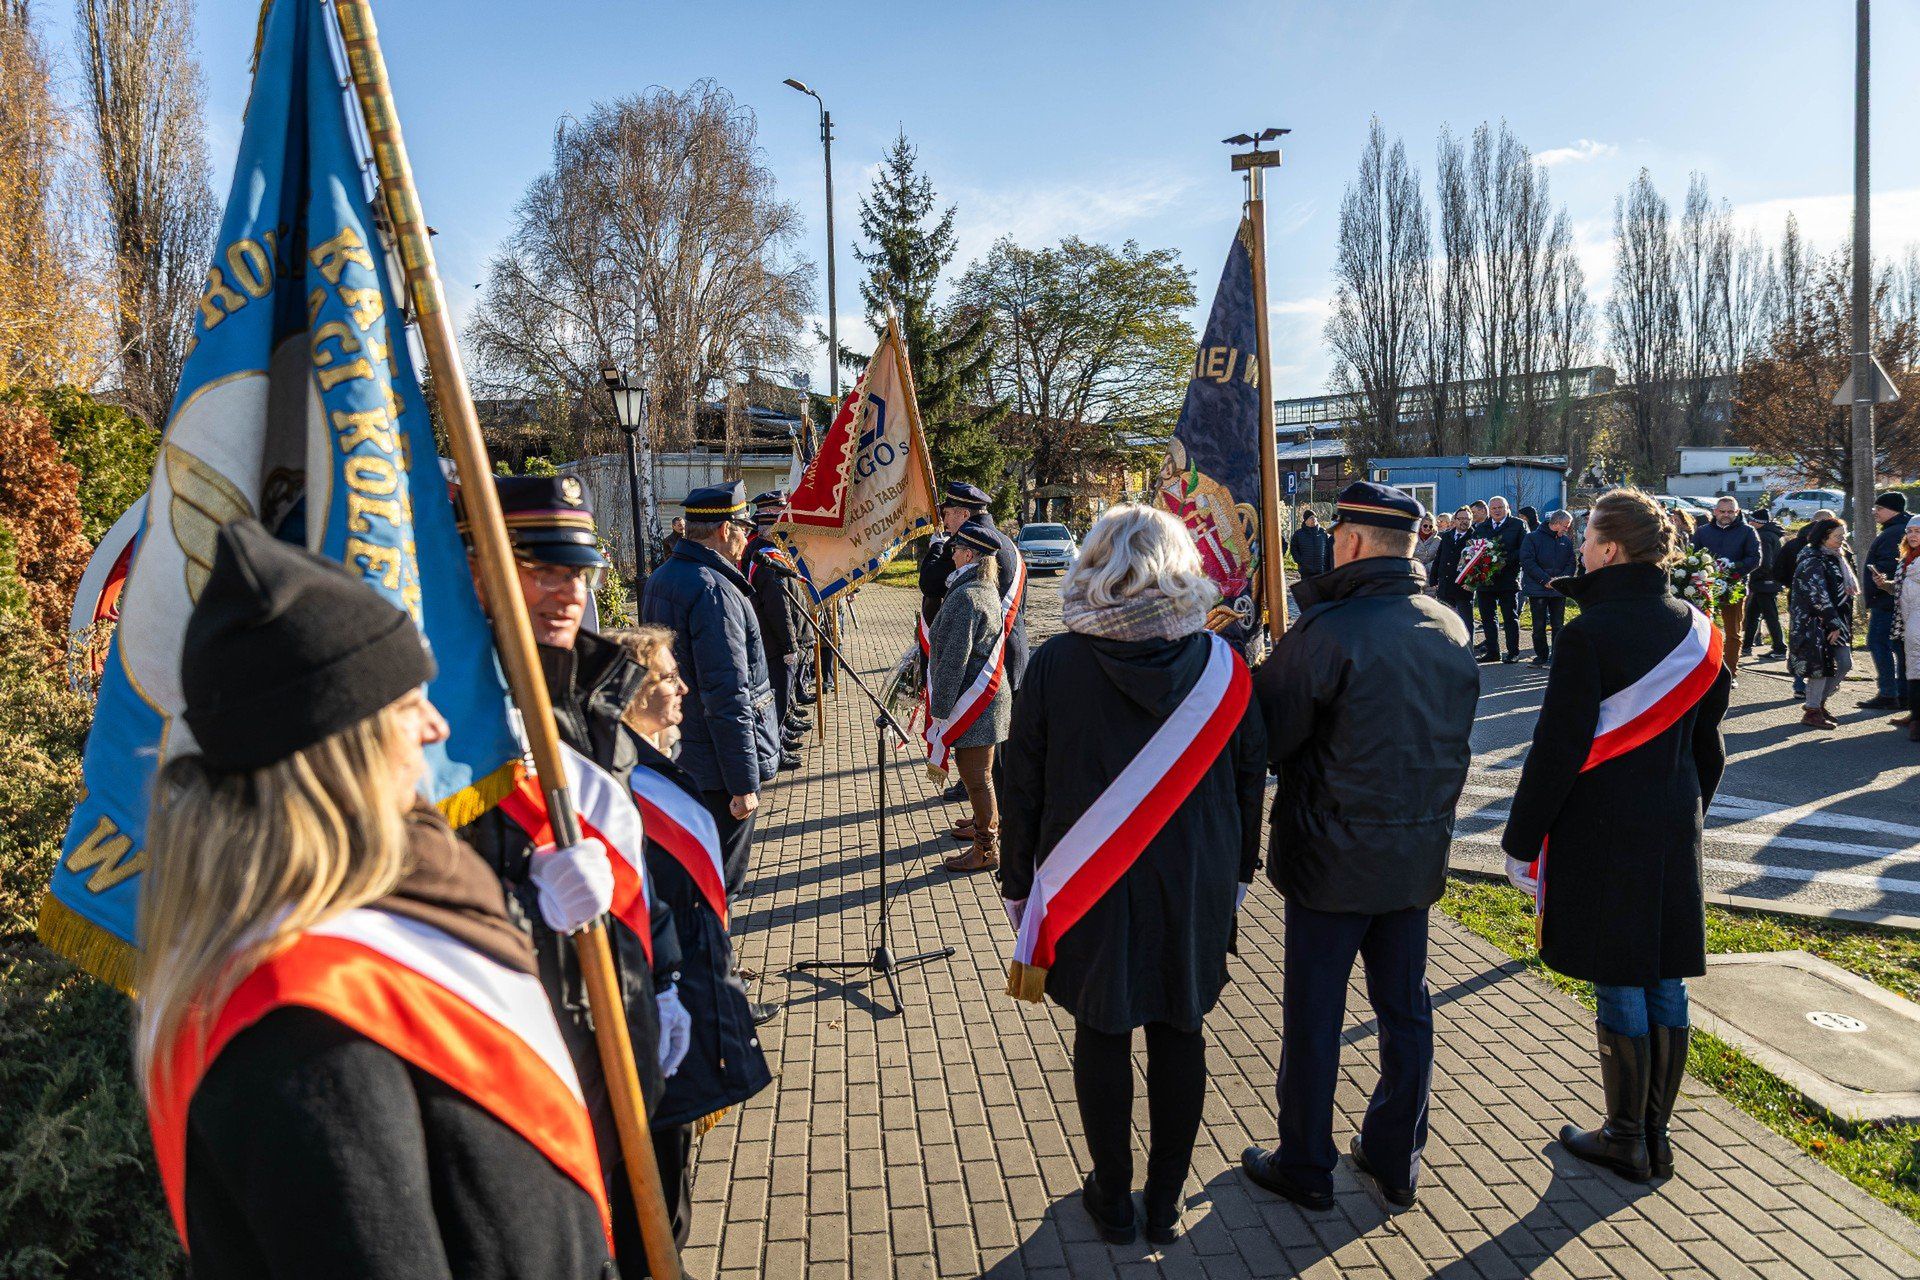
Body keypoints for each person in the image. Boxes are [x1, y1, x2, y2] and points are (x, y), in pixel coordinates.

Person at [137, 520, 615, 1278]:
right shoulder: (301, 1034)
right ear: (341, 745)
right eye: (408, 703)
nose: (436, 726)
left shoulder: (389, 903)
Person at [998, 505, 1266, 1246]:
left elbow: (1021, 785)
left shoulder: (1056, 663)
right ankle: (1167, 1201)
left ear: (1094, 564)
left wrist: (1018, 885)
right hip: (1194, 883)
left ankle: (1113, 1199)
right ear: (1181, 568)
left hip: (1089, 886)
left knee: (1102, 1030)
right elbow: (1251, 781)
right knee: (1181, 1030)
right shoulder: (1223, 665)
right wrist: (1239, 876)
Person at [456, 476, 689, 1273]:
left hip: (621, 1026)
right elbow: (410, 900)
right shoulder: (450, 718)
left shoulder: (594, 693)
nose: (568, 592)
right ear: (478, 569)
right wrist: (526, 909)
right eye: (542, 570)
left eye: (578, 572)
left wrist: (665, 977)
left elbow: (631, 858)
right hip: (525, 1059)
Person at [1242, 482, 1480, 1214]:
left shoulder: (1329, 631)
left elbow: (1270, 739)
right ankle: (1395, 1157)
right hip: (1415, 852)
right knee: (1405, 1009)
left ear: (1348, 541)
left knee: (1315, 1015)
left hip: (1330, 855)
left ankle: (1305, 1162)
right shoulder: (1449, 626)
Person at [1501, 488, 1730, 1184]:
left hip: (1603, 826)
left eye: (1587, 537)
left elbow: (1557, 749)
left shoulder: (1588, 634)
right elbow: (1711, 748)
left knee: (1621, 971)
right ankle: (1656, 1136)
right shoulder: (1699, 630)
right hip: (1674, 822)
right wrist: (1685, 809)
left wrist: (1521, 839)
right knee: (1664, 971)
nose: (1579, 547)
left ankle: (1626, 1136)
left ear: (1608, 549)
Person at [611, 625, 775, 1246]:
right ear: (630, 694)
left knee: (670, 1176)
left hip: (685, 986)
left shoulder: (655, 764)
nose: (683, 687)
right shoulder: (624, 786)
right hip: (657, 1004)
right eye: (667, 677)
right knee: (658, 1192)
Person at [640, 482, 780, 898]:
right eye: (743, 529)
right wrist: (743, 783)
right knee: (721, 886)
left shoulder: (663, 576)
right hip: (718, 769)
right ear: (723, 530)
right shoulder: (714, 590)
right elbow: (727, 693)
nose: (747, 539)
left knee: (695, 878)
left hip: (683, 751)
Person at [927, 519, 1016, 872]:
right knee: (979, 776)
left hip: (975, 701)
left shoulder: (967, 596)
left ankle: (987, 848)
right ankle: (984, 826)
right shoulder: (980, 587)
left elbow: (955, 659)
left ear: (969, 555)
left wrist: (940, 710)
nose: (951, 555)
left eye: (956, 549)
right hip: (983, 699)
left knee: (977, 777)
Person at [918, 480, 1029, 689]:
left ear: (964, 514)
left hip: (984, 665)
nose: (945, 521)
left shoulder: (966, 544)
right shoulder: (1007, 543)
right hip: (1014, 653)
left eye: (947, 514)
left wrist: (937, 547)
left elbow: (930, 584)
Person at [741, 490, 805, 772]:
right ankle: (774, 750)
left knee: (781, 694)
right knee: (776, 698)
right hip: (775, 642)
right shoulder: (765, 558)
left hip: (774, 640)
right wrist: (789, 646)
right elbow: (778, 607)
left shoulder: (770, 554)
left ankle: (778, 741)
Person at [1791, 517, 1859, 730]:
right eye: (1838, 536)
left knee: (1845, 664)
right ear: (1823, 537)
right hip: (1816, 622)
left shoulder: (1838, 556)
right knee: (1820, 666)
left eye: (1844, 535)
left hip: (1838, 619)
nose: (1842, 540)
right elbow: (1817, 594)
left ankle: (1818, 703)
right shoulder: (1812, 559)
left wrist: (1839, 622)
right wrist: (1832, 623)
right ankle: (1812, 711)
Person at [1690, 496, 1761, 678]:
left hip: (1734, 588)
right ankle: (1706, 673)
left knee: (1733, 633)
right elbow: (1691, 556)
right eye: (1722, 511)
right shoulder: (1702, 531)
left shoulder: (1748, 531)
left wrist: (1734, 567)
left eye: (1731, 512)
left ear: (1737, 512)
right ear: (1715, 512)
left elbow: (1755, 558)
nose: (1726, 515)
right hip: (1705, 588)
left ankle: (1730, 674)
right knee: (1703, 631)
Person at [1776, 509, 1836, 702]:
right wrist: (1797, 585)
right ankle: (1806, 686)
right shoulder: (1799, 546)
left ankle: (1806, 686)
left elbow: (1779, 572)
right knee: (1805, 643)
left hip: (1808, 602)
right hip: (1805, 603)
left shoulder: (1834, 546)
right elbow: (1779, 570)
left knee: (1806, 643)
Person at [1862, 492, 1913, 711]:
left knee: (1879, 643)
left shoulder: (1893, 533)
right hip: (1893, 599)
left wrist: (1879, 581)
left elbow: (1892, 565)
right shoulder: (1900, 529)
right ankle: (1903, 694)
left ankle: (1889, 693)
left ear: (1893, 509)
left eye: (1879, 508)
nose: (1875, 512)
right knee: (1898, 647)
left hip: (1886, 601)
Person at [1871, 522, 1920, 739]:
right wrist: (1884, 584)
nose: (1912, 535)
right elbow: (1903, 588)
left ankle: (1917, 721)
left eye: (1918, 531)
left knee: (1916, 669)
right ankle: (1914, 713)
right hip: (1906, 621)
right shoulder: (1908, 558)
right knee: (1912, 669)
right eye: (1910, 531)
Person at [1473, 495, 1527, 664]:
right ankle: (1493, 652)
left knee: (1510, 617)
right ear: (1489, 510)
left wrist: (1502, 560)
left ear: (1507, 508)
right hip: (1485, 579)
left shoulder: (1518, 525)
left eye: (1500, 507)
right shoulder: (1482, 527)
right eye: (1494, 508)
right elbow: (1474, 549)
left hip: (1508, 579)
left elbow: (1524, 549)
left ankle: (1513, 652)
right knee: (1487, 618)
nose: (1497, 511)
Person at [1520, 510, 1578, 665]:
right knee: (1538, 626)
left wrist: (1560, 581)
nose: (1567, 528)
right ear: (1556, 523)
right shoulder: (1531, 538)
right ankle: (1541, 655)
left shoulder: (1566, 541)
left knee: (1558, 625)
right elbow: (1527, 561)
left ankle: (1556, 656)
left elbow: (1571, 563)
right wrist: (1545, 580)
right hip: (1538, 589)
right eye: (1566, 525)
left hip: (1558, 590)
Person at [1744, 508, 1787, 658]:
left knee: (1770, 616)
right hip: (1767, 582)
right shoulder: (1774, 534)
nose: (1749, 523)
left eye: (1751, 520)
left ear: (1758, 522)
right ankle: (1746, 646)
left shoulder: (1763, 536)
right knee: (1753, 615)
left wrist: (1753, 576)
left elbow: (1765, 563)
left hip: (1764, 583)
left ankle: (1780, 648)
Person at [1430, 507, 1477, 631]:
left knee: (1465, 623)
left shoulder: (1475, 538)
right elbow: (1439, 558)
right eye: (1460, 518)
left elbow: (1479, 564)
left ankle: (1467, 644)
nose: (1464, 521)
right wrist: (1433, 579)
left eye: (1467, 518)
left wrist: (1472, 583)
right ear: (1455, 520)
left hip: (1463, 588)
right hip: (1445, 586)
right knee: (1445, 622)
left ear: (1471, 520)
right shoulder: (1447, 536)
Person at [1287, 509, 1332, 579]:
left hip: (1321, 570)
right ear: (1305, 521)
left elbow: (1328, 548)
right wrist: (1300, 561)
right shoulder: (1298, 534)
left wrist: (1326, 564)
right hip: (1306, 571)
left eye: (1315, 517)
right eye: (1311, 517)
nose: (1314, 519)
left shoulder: (1323, 532)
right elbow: (1293, 549)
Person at [1412, 514, 1442, 593]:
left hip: (1430, 577)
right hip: (1414, 575)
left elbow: (1439, 558)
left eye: (1430, 526)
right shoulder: (1413, 538)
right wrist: (1417, 566)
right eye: (1425, 526)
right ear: (1420, 525)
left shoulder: (1438, 540)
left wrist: (1426, 568)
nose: (1428, 528)